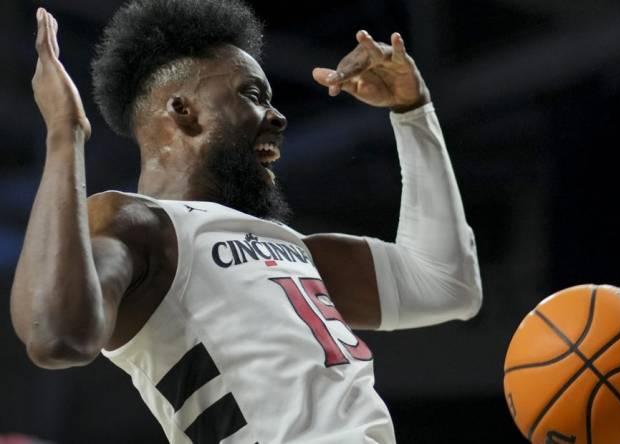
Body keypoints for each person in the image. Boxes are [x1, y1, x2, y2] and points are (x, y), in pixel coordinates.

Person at [10, 1, 482, 443]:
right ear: (183, 110)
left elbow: (449, 285)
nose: (277, 117)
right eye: (254, 94)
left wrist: (413, 111)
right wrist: (64, 136)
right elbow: (56, 335)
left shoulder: (299, 251)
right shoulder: (139, 226)